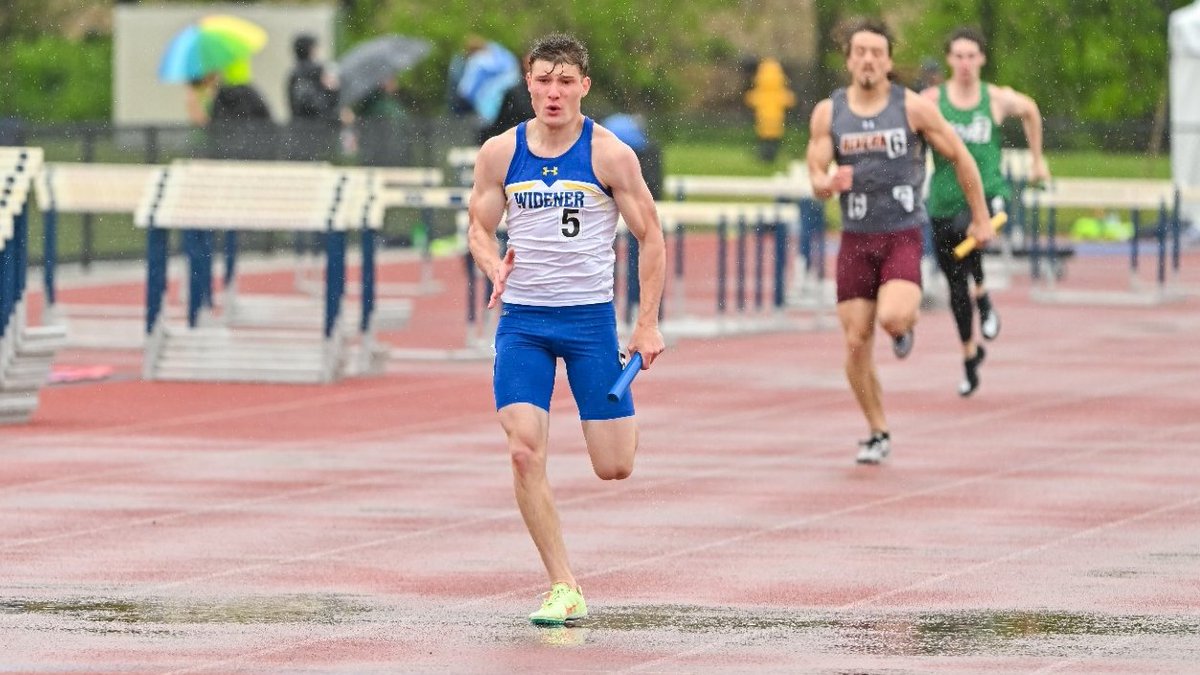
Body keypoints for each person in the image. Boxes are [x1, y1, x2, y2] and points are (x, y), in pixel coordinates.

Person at [467, 33, 666, 624]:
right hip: (523, 324)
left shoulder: (609, 155)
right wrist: (489, 266)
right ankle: (563, 585)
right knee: (524, 452)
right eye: (543, 80)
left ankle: (614, 415)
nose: (553, 92)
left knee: (614, 466)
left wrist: (646, 323)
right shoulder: (500, 154)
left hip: (588, 325)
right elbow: (478, 227)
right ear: (528, 83)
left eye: (564, 81)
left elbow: (651, 235)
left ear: (584, 86)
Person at [806, 18, 993, 464]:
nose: (868, 59)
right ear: (849, 60)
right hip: (855, 241)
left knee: (890, 317)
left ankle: (903, 326)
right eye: (860, 52)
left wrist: (981, 218)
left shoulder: (912, 108)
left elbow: (962, 157)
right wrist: (827, 183)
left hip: (901, 236)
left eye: (877, 52)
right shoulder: (828, 113)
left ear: (888, 61)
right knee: (854, 343)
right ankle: (878, 429)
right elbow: (814, 173)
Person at [921, 27, 1049, 397]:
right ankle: (969, 355)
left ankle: (986, 299)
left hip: (988, 196)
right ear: (949, 59)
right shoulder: (931, 100)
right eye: (957, 56)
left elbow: (1031, 110)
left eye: (970, 56)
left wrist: (1038, 161)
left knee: (973, 229)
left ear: (981, 59)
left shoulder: (994, 99)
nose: (964, 63)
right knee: (955, 286)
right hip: (944, 200)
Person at [285, 33, 340, 162]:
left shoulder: (293, 73)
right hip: (317, 132)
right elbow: (320, 105)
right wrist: (333, 91)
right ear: (311, 49)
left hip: (298, 131)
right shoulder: (317, 72)